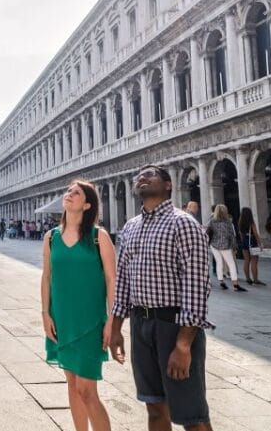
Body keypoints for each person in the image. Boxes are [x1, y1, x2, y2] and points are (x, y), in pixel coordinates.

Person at [109, 165, 213, 431]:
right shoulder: (131, 227)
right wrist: (116, 328)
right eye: (138, 176)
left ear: (168, 185)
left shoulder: (183, 223)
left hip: (173, 325)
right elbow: (123, 280)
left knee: (192, 417)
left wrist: (183, 345)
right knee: (154, 407)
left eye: (150, 174)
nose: (142, 177)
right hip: (140, 323)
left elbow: (197, 286)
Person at [41, 180, 117, 431]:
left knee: (87, 389)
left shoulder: (98, 236)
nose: (69, 195)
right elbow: (47, 277)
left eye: (76, 193)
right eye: (68, 191)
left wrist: (111, 320)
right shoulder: (51, 237)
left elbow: (111, 278)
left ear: (86, 205)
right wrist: (45, 314)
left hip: (90, 320)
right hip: (61, 318)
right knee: (72, 384)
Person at [205, 205, 246, 292]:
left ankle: (221, 282)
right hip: (225, 245)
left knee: (219, 263)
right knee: (231, 264)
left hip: (214, 244)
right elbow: (231, 235)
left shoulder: (212, 221)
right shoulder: (228, 222)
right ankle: (235, 284)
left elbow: (207, 231)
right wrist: (234, 246)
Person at [237, 207, 264, 286]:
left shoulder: (240, 222)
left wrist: (243, 241)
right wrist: (259, 243)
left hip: (244, 242)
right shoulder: (251, 222)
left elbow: (241, 234)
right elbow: (255, 233)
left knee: (246, 260)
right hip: (252, 242)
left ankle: (248, 278)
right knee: (254, 261)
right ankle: (255, 279)